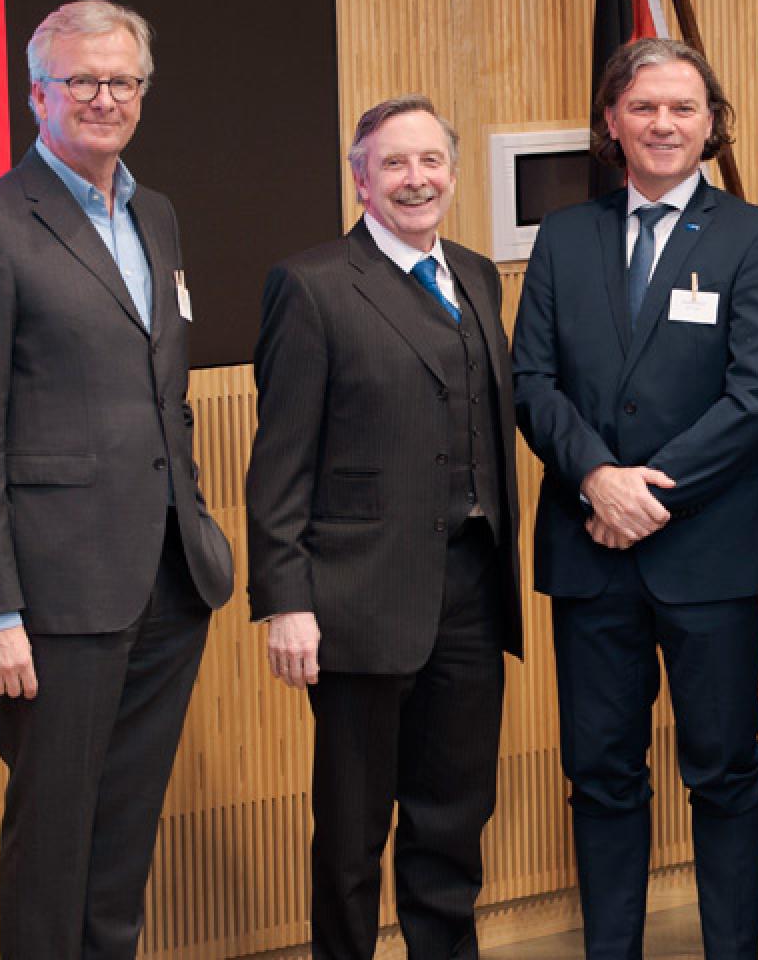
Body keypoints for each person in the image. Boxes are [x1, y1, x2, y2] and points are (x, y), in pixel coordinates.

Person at [0, 0, 234, 959]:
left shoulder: (157, 213)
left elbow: (161, 390)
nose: (105, 98)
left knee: (121, 843)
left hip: (168, 581)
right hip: (54, 601)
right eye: (82, 81)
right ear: (37, 95)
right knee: (53, 845)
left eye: (123, 80)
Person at [510, 37, 758, 960]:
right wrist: (597, 478)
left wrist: (646, 495)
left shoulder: (757, 237)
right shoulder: (563, 236)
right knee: (600, 776)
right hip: (589, 554)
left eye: (682, 108)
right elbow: (532, 383)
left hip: (710, 554)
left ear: (710, 124)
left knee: (723, 771)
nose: (663, 124)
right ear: (611, 124)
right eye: (643, 108)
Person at [245, 95, 523, 959]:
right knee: (353, 836)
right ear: (360, 179)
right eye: (394, 164)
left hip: (473, 592)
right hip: (358, 603)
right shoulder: (314, 284)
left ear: (451, 173)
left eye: (431, 162)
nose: (416, 179)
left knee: (453, 821)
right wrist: (283, 600)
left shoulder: (476, 274)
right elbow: (280, 459)